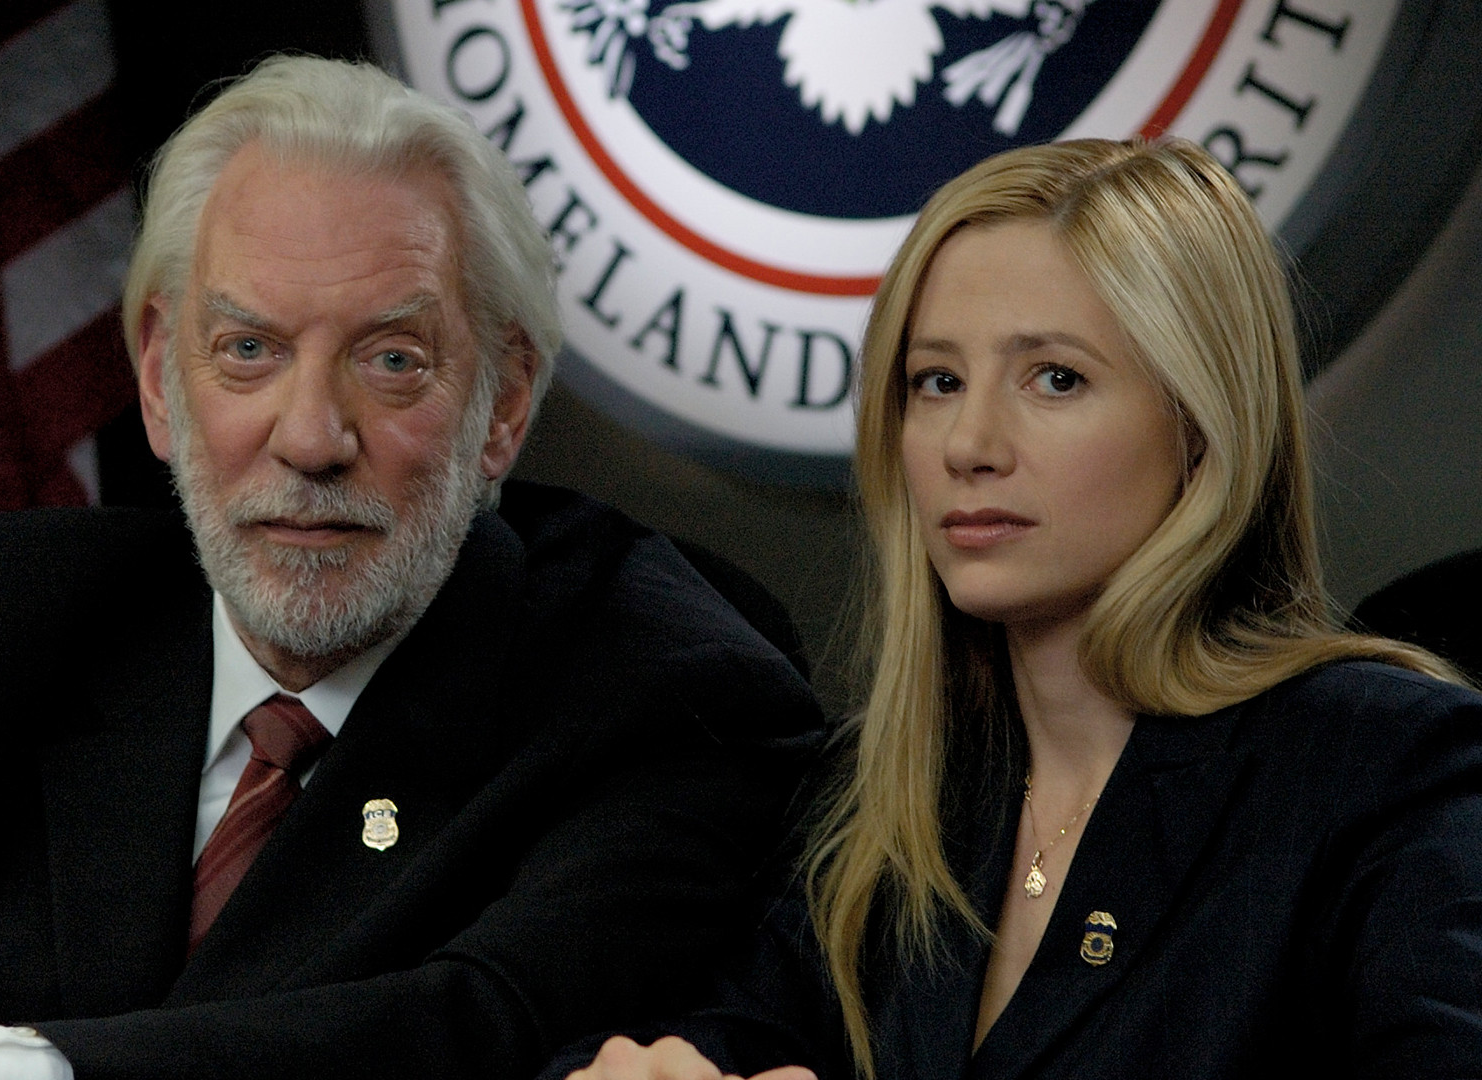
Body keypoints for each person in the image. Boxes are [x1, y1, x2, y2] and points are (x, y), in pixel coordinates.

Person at [0, 56, 822, 1080]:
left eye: (392, 360)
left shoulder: (663, 688)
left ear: (503, 406)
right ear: (162, 380)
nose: (311, 438)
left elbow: (471, 1032)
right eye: (249, 351)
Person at [557, 138, 1482, 1080]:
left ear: (1203, 426)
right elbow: (720, 1032)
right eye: (938, 382)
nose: (969, 444)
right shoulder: (878, 797)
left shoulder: (1386, 766)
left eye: (1055, 378)